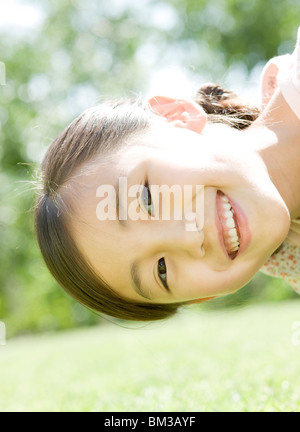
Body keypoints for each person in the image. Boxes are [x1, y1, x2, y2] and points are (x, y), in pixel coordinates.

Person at [34, 27, 300, 321]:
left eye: (147, 198)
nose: (188, 240)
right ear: (201, 298)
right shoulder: (290, 258)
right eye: (161, 270)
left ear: (178, 116)